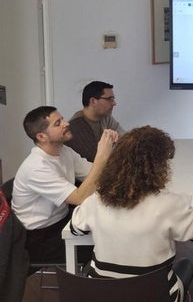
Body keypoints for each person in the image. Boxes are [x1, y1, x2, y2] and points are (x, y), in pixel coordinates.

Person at [71, 126, 193, 302]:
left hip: (103, 294)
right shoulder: (169, 203)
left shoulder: (97, 199)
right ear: (158, 167)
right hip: (156, 296)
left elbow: (75, 229)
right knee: (186, 265)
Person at [11, 106, 117, 264]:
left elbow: (95, 174)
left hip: (62, 218)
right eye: (57, 123)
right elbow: (80, 198)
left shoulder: (65, 151)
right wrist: (101, 155)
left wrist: (110, 151)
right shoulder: (36, 168)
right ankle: (96, 284)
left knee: (111, 223)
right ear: (41, 137)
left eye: (63, 119)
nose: (66, 123)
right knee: (106, 242)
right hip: (38, 238)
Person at [66, 81, 125, 162]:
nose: (114, 103)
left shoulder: (105, 117)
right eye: (110, 99)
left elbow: (126, 140)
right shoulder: (77, 126)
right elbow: (98, 159)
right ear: (93, 101)